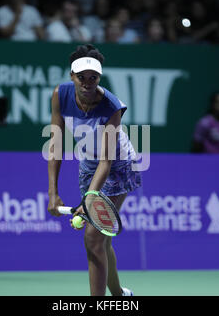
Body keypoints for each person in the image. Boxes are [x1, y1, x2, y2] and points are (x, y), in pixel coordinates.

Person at [47, 44, 141, 296]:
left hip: (118, 165)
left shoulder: (111, 106)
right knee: (101, 240)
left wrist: (90, 198)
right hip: (89, 164)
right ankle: (120, 295)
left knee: (93, 238)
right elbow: (56, 145)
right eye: (81, 77)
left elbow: (107, 162)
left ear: (99, 78)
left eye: (93, 78)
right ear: (71, 77)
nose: (87, 83)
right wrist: (53, 192)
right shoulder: (60, 94)